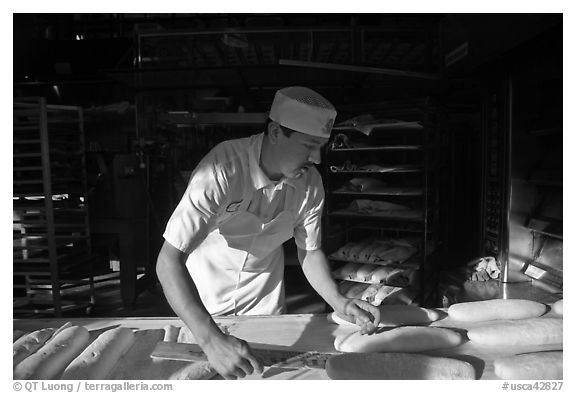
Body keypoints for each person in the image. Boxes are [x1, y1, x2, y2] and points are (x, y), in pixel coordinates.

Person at [156, 86, 381, 379]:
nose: (317, 159)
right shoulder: (221, 170)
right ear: (275, 132)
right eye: (308, 145)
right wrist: (210, 339)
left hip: (268, 311)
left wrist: (339, 301)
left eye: (321, 147)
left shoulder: (309, 185)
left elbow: (309, 251)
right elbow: (168, 261)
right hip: (204, 312)